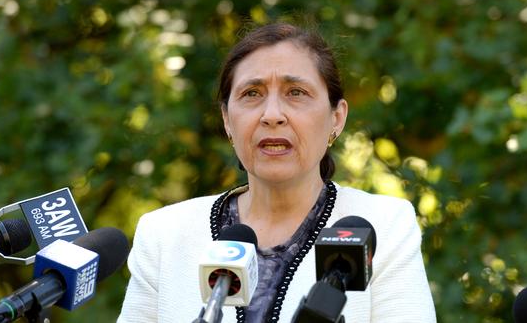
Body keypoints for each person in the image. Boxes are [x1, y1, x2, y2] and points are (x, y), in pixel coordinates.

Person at [117, 22, 436, 322]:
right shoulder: (164, 235)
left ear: (336, 118)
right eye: (252, 93)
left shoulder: (385, 226)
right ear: (228, 120)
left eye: (296, 92)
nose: (272, 115)